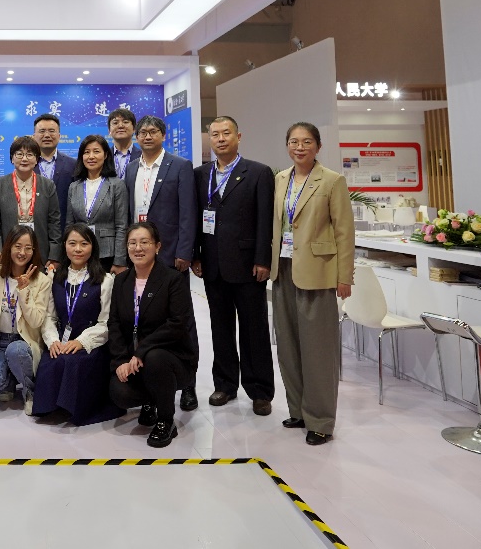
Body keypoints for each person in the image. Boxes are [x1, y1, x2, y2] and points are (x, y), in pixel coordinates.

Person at [271, 121, 354, 446]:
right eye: (294, 141)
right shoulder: (281, 179)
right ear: (287, 146)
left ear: (318, 146)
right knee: (288, 345)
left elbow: (344, 231)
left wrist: (344, 276)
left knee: (318, 350)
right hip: (283, 270)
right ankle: (298, 411)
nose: (300, 147)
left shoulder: (332, 180)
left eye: (307, 142)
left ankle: (320, 420)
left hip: (318, 271)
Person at [192, 116, 276, 416]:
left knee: (254, 329)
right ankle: (225, 385)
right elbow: (196, 218)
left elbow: (266, 220)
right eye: (215, 134)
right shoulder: (200, 174)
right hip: (213, 265)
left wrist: (263, 259)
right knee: (220, 328)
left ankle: (260, 390)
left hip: (247, 265)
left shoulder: (258, 172)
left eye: (226, 133)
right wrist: (196, 255)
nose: (220, 139)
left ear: (238, 136)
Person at [123, 114, 200, 410]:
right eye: (142, 132)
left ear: (163, 135)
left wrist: (185, 251)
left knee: (182, 321)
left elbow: (188, 212)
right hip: (140, 255)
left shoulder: (179, 166)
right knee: (145, 319)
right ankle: (150, 382)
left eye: (153, 131)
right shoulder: (132, 168)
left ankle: (188, 384)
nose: (147, 136)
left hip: (170, 256)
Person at [108, 222, 198, 448]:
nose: (138, 248)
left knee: (155, 358)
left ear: (157, 246)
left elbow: (177, 324)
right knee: (119, 392)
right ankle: (151, 400)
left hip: (171, 358)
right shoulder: (121, 281)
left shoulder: (173, 280)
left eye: (144, 242)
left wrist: (142, 350)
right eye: (132, 243)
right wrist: (121, 360)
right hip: (134, 360)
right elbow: (115, 323)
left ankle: (166, 421)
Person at [33, 224, 121, 425]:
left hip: (92, 343)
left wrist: (81, 342)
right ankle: (51, 407)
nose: (78, 249)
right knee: (53, 360)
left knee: (73, 362)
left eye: (84, 244)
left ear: (93, 247)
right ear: (65, 245)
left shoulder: (105, 280)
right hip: (62, 340)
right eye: (72, 243)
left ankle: (71, 408)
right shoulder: (55, 277)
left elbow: (106, 322)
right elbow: (49, 317)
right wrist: (53, 341)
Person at [0, 225, 54, 411]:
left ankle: (30, 390)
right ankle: (10, 381)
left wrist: (24, 290)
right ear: (9, 247)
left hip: (24, 340)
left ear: (34, 251)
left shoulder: (42, 280)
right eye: (18, 246)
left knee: (16, 351)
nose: (22, 252)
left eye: (28, 248)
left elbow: (37, 321)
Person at [0, 136, 62, 268]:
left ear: (37, 159)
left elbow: (54, 222)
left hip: (39, 250)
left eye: (30, 154)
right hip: (8, 249)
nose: (24, 159)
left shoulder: (48, 185)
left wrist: (54, 255)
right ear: (12, 158)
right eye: (19, 154)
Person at [65, 134, 129, 272]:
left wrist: (119, 260)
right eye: (86, 152)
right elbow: (69, 225)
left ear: (105, 155)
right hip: (79, 254)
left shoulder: (116, 185)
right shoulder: (74, 187)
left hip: (107, 254)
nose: (91, 156)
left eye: (96, 151)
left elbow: (122, 226)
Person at [33, 113, 76, 197]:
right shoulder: (27, 164)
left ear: (59, 136)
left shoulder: (73, 164)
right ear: (34, 136)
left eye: (51, 131)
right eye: (42, 131)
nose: (47, 135)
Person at [107, 108, 139, 180]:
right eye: (115, 123)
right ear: (109, 130)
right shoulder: (103, 157)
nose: (120, 126)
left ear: (134, 128)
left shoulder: (143, 156)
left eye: (125, 122)